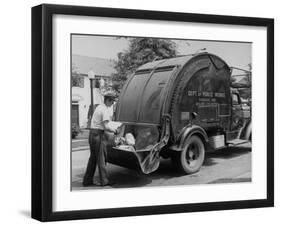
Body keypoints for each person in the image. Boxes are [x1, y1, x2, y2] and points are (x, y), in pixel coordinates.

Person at [83, 91, 117, 187]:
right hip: (98, 135)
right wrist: (115, 130)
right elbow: (106, 126)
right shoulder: (104, 110)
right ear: (107, 100)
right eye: (112, 101)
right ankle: (104, 181)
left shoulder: (99, 107)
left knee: (93, 158)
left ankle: (87, 181)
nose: (112, 103)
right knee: (101, 159)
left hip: (92, 134)